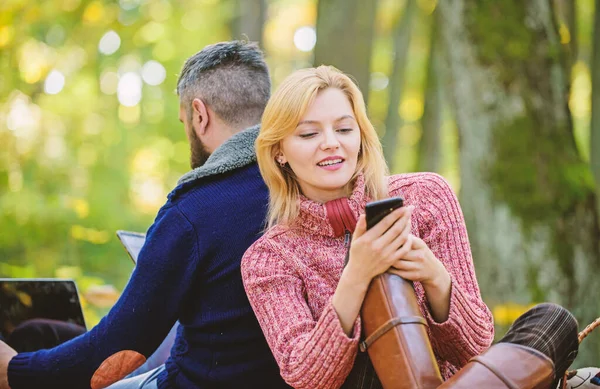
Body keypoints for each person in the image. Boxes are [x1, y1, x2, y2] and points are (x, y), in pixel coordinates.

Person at [241, 66, 579, 389]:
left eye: (344, 129)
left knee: (553, 322)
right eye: (309, 133)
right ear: (279, 152)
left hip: (449, 379)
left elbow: (475, 346)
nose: (331, 143)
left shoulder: (426, 196)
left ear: (360, 137)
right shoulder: (270, 258)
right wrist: (357, 276)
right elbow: (308, 377)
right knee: (377, 322)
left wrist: (434, 276)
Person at [0, 41, 290, 389]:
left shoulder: (194, 209)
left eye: (185, 121)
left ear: (200, 114)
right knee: (41, 332)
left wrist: (13, 371)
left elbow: (120, 350)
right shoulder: (302, 185)